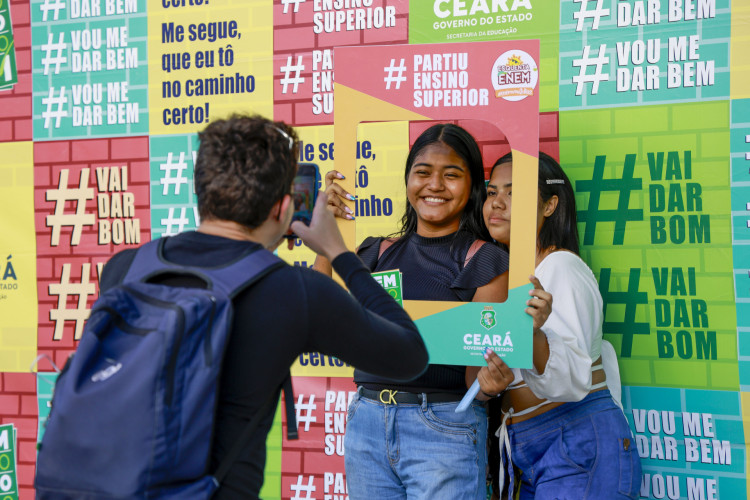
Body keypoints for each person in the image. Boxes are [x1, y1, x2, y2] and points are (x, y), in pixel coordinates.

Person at [97, 114, 429, 500]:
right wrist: (336, 250)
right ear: (284, 206)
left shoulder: (124, 267)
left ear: (203, 188)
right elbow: (409, 354)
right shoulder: (290, 291)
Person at [319, 123, 510, 500]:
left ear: (471, 187)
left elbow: (477, 371)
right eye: (422, 172)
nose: (435, 185)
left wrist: (487, 386)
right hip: (367, 421)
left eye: (451, 175)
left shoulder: (486, 261)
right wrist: (323, 230)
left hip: (443, 426)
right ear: (407, 181)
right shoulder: (375, 252)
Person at [479, 152, 642, 499]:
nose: (498, 203)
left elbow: (571, 380)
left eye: (514, 193)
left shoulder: (561, 267)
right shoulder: (503, 280)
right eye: (492, 193)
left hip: (575, 435)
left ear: (550, 205)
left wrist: (534, 333)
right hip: (528, 447)